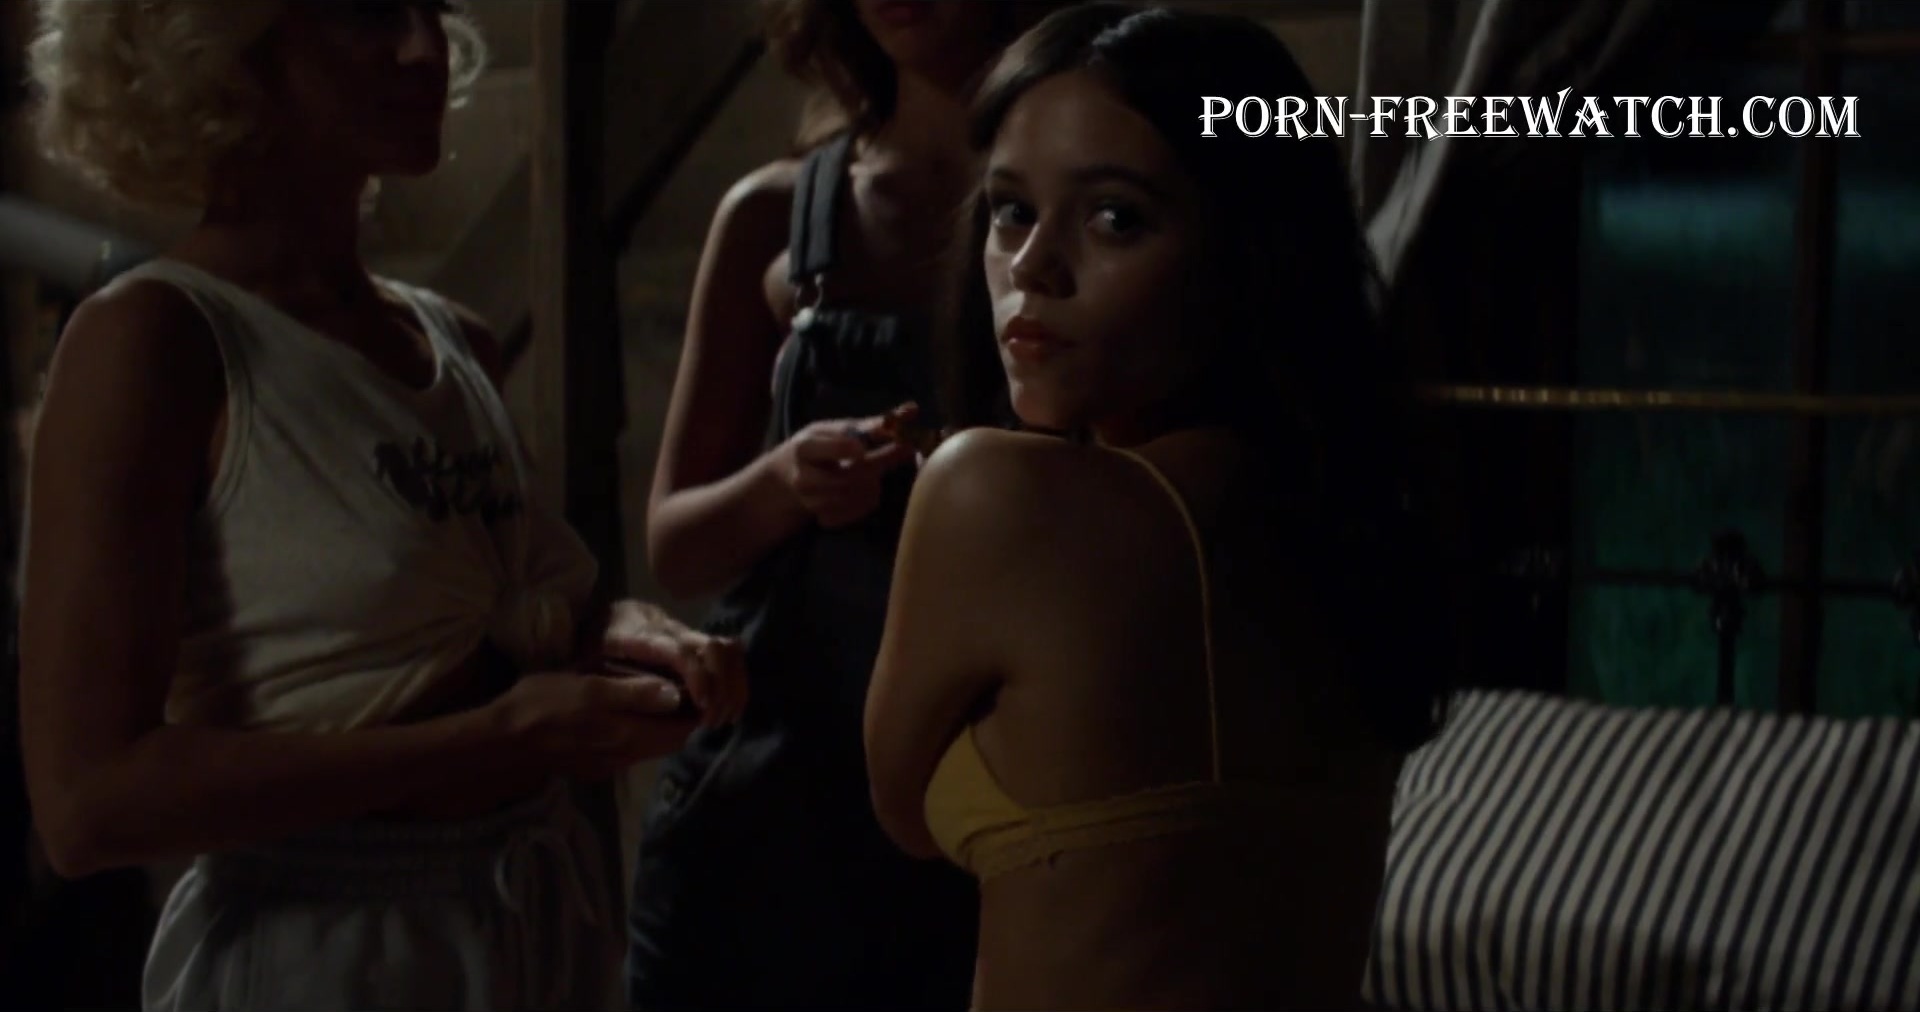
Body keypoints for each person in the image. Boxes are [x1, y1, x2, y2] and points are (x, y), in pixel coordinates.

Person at [17, 2, 746, 1009]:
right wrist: (499, 741)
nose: (424, 48)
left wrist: (630, 638)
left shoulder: (456, 340)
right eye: (363, 12)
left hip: (536, 922)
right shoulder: (155, 343)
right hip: (324, 952)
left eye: (431, 6)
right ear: (222, 54)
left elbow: (494, 625)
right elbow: (88, 804)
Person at [863, 4, 1456, 1009]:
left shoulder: (995, 495)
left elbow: (903, 813)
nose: (1032, 268)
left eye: (1115, 218)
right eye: (1010, 210)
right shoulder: (1344, 517)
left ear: (1247, 250)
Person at [627, 1, 1070, 1008]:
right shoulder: (774, 214)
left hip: (988, 795)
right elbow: (676, 544)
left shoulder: (1072, 218)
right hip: (770, 799)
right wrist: (785, 481)